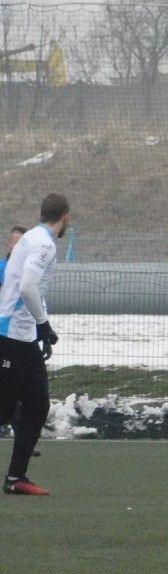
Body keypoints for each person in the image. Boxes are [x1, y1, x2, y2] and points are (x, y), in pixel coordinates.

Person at [0, 193, 69, 495]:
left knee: (33, 404)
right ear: (65, 217)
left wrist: (39, 330)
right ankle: (15, 478)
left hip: (19, 337)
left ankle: (16, 478)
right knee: (11, 409)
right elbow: (28, 286)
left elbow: (31, 291)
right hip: (12, 336)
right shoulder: (43, 244)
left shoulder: (32, 237)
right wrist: (43, 325)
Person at [0, 224, 43, 458]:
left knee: (18, 394)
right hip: (5, 339)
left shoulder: (30, 275)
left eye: (21, 243)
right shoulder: (3, 270)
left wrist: (42, 332)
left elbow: (36, 306)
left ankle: (25, 440)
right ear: (9, 246)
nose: (17, 247)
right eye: (14, 243)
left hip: (20, 342)